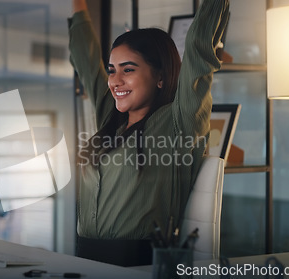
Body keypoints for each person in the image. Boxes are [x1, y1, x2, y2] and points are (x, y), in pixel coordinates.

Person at [68, 0, 230, 266]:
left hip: (137, 268)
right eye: (112, 70)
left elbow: (200, 50)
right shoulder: (112, 120)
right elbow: (87, 64)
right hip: (85, 264)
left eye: (128, 69)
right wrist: (78, 5)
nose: (115, 80)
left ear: (161, 77)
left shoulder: (178, 123)